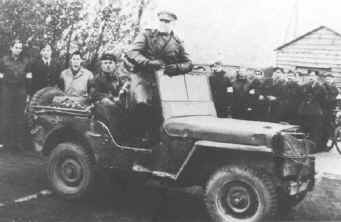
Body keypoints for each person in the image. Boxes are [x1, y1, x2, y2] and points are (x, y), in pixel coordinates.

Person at [125, 10, 193, 142]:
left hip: (165, 82)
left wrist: (178, 67)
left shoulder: (177, 42)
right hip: (144, 78)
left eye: (167, 22)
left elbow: (189, 63)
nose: (163, 24)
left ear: (173, 24)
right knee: (142, 103)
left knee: (169, 112)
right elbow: (132, 53)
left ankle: (160, 140)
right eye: (161, 21)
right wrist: (148, 63)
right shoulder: (147, 35)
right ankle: (137, 138)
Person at [0, 39, 31, 150]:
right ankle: (3, 142)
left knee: (19, 117)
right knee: (5, 116)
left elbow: (28, 78)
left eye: (20, 48)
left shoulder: (26, 62)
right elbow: (0, 77)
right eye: (16, 47)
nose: (18, 50)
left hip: (20, 91)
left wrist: (28, 94)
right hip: (7, 91)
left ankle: (18, 143)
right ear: (11, 48)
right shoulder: (3, 60)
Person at [89, 53, 127, 142]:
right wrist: (110, 98)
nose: (108, 66)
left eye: (110, 63)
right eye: (105, 63)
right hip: (101, 112)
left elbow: (123, 94)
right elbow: (93, 95)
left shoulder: (119, 80)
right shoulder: (96, 80)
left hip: (117, 110)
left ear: (115, 65)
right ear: (101, 65)